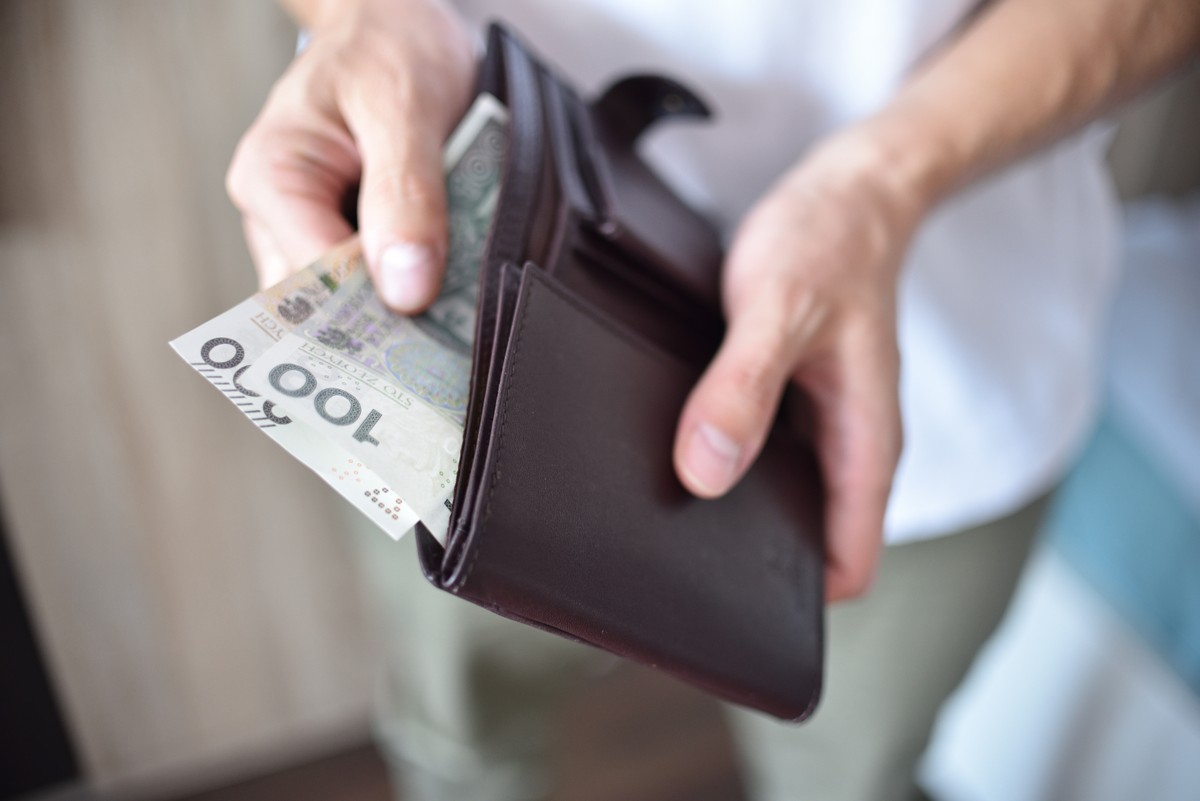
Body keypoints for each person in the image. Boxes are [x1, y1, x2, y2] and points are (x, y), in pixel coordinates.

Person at [225, 1, 1200, 799]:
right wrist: (363, 17)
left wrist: (885, 181)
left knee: (848, 773)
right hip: (460, 324)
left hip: (933, 352)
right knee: (462, 738)